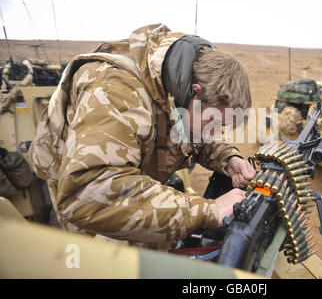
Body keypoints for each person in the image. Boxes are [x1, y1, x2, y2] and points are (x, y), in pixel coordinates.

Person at [29, 23, 255, 246]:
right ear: (195, 91)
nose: (213, 132)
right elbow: (88, 194)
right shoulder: (116, 92)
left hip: (127, 169)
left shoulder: (179, 81)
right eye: (214, 121)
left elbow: (192, 128)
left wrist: (228, 158)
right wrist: (208, 210)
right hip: (85, 186)